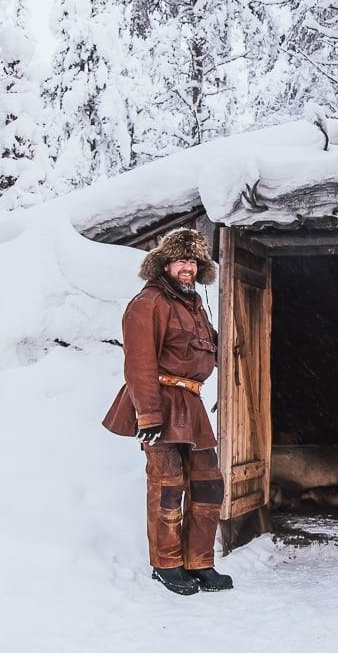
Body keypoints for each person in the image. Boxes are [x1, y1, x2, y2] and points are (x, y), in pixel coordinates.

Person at [102, 227, 233, 596]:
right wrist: (148, 415)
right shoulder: (149, 303)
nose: (187, 266)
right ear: (165, 264)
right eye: (180, 260)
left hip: (191, 404)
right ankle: (167, 564)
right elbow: (139, 363)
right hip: (161, 400)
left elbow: (211, 350)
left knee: (208, 485)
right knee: (168, 486)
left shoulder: (194, 305)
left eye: (192, 260)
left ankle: (200, 563)